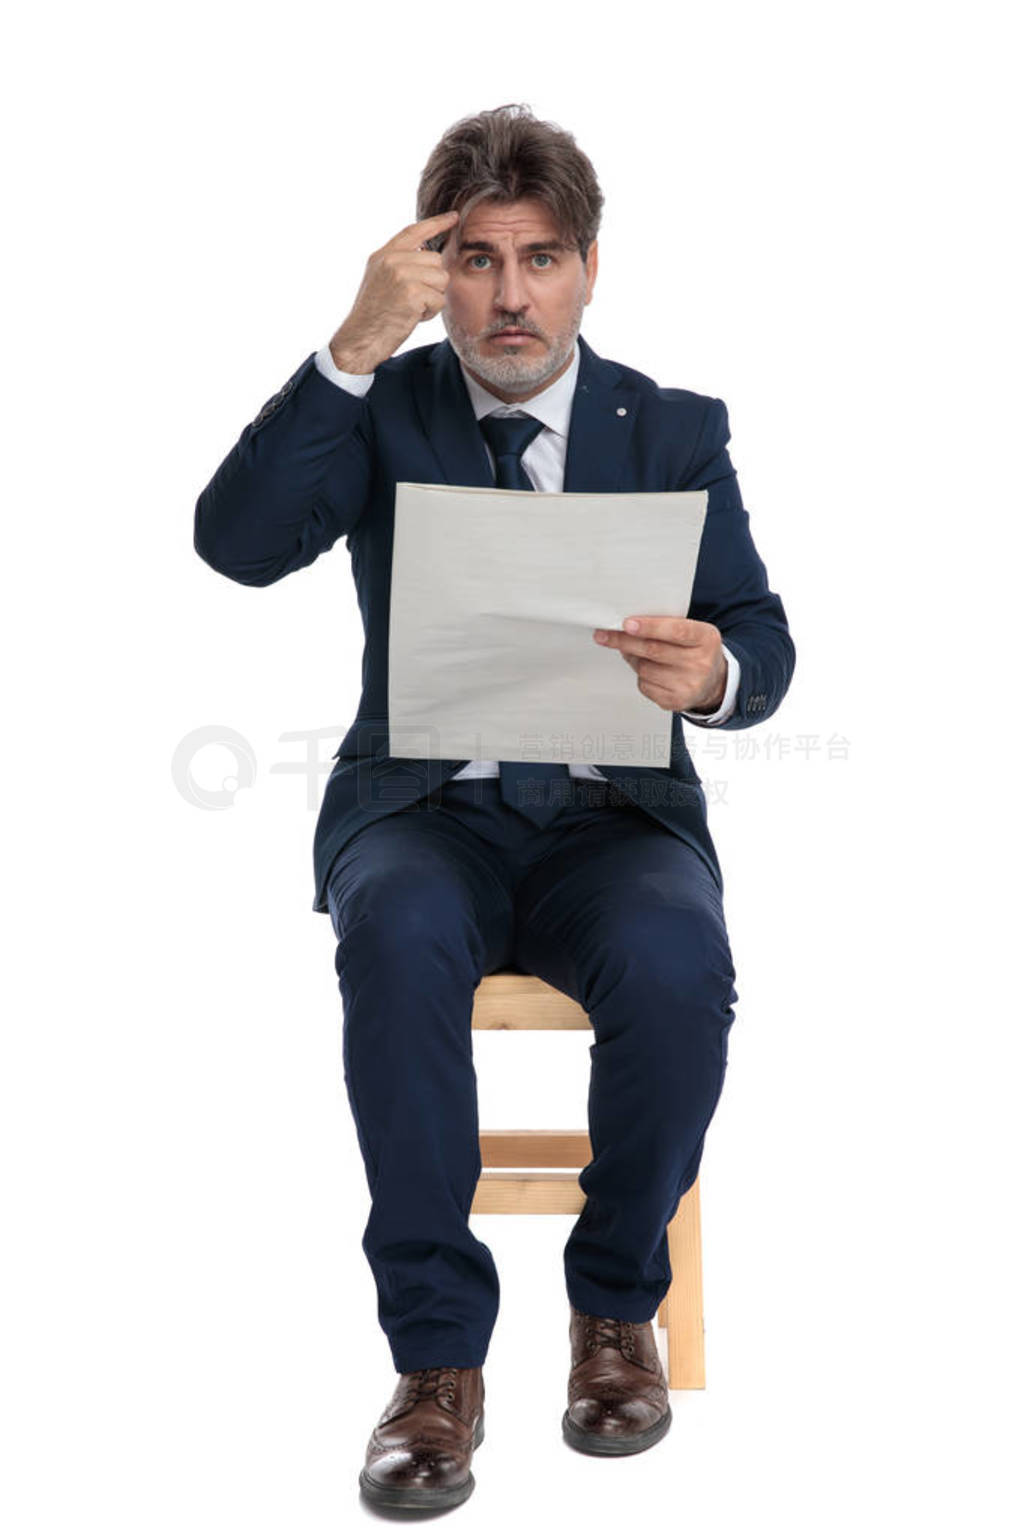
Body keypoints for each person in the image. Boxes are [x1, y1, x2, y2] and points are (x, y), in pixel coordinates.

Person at [194, 103, 795, 1513]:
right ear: (430, 268)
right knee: (395, 935)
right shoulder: (382, 405)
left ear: (590, 266)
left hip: (613, 819)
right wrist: (350, 346)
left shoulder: (677, 428)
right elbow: (234, 550)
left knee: (675, 960)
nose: (510, 295)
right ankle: (436, 1368)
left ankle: (611, 1315)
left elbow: (761, 637)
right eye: (474, 259)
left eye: (540, 258)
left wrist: (716, 673)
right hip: (424, 811)